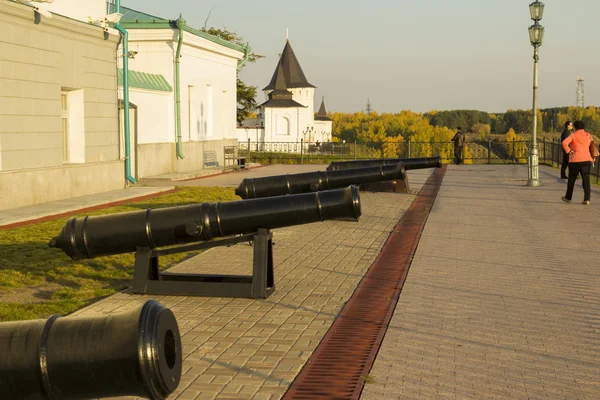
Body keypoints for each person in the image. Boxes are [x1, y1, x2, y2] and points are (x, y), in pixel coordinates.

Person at [561, 120, 594, 205]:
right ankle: (587, 199)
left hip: (575, 160)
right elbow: (592, 147)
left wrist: (569, 151)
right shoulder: (588, 135)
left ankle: (568, 198)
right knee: (586, 179)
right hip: (587, 160)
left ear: (575, 128)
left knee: (571, 179)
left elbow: (564, 143)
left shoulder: (573, 135)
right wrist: (592, 157)